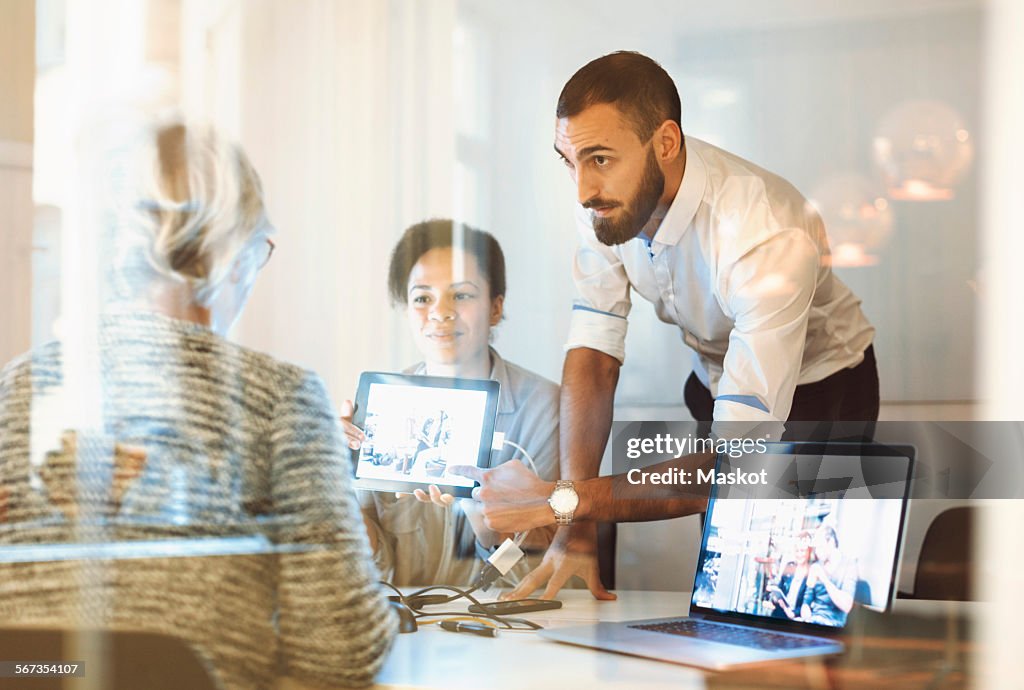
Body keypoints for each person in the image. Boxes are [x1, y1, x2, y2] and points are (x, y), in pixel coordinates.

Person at [0, 121, 396, 689]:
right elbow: (341, 653)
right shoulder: (282, 398)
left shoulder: (16, 388)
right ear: (237, 254)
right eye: (261, 251)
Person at [480, 50, 880, 600]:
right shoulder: (602, 196)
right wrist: (574, 531)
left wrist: (561, 501)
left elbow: (733, 464)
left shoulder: (765, 231)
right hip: (716, 377)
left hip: (824, 386)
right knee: (728, 560)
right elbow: (595, 351)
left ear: (665, 143)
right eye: (568, 162)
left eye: (599, 159)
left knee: (801, 586)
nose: (581, 190)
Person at [341, 219, 560, 587]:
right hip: (410, 628)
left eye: (461, 295)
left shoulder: (543, 410)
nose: (440, 312)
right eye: (422, 298)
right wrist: (334, 487)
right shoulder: (380, 409)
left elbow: (536, 573)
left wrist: (484, 512)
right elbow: (374, 576)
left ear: (495, 307)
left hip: (507, 629)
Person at [800, 525, 857, 626]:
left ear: (831, 543)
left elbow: (846, 606)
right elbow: (806, 603)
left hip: (833, 625)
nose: (816, 552)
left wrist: (823, 578)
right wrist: (806, 618)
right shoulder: (816, 566)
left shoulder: (849, 566)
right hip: (813, 621)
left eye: (820, 547)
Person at [767, 531, 813, 620]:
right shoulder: (789, 566)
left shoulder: (812, 572)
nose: (799, 554)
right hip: (779, 614)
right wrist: (776, 598)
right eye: (797, 550)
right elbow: (779, 589)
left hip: (796, 619)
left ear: (809, 551)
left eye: (802, 551)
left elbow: (810, 604)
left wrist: (794, 613)